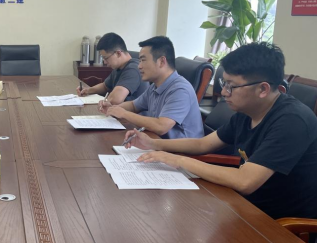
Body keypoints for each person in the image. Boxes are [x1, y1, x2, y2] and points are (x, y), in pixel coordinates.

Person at [127, 42, 317, 220]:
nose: (224, 92)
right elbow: (203, 144)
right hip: (243, 205)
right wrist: (153, 143)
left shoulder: (292, 121)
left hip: (279, 223)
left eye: (231, 86)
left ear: (263, 89)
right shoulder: (247, 112)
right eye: (223, 83)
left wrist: (179, 160)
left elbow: (245, 181)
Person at [99, 36, 203, 139]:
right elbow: (133, 106)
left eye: (143, 60)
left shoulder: (180, 90)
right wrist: (112, 109)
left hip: (180, 149)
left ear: (161, 61)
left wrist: (124, 114)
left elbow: (161, 126)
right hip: (157, 142)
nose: (139, 66)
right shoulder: (154, 86)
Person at [77, 32, 148, 104]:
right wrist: (88, 90)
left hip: (129, 111)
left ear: (118, 53)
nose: (105, 62)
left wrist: (105, 100)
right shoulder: (118, 67)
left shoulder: (133, 69)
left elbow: (115, 100)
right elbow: (105, 86)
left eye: (106, 58)